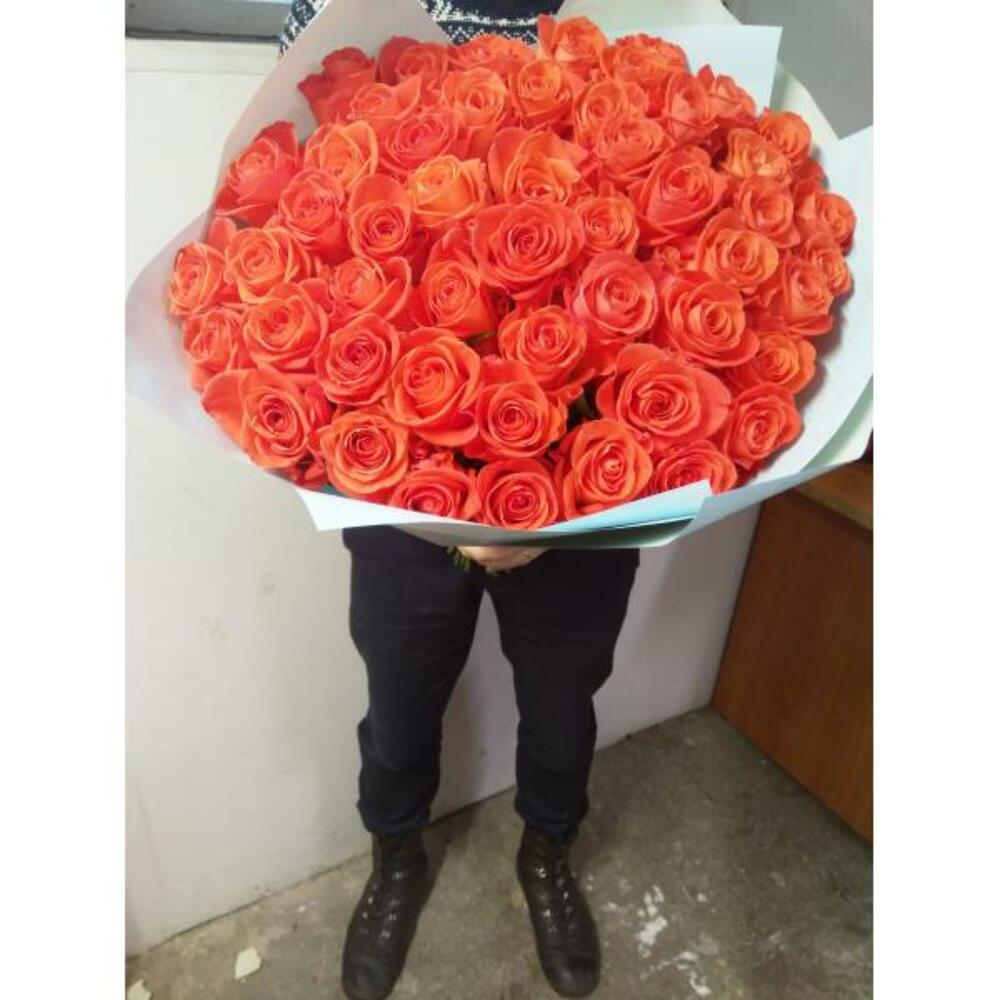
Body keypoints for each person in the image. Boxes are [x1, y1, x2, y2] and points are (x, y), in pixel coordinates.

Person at [282, 4, 640, 998]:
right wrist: (425, 506)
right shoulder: (338, 13)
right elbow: (318, 245)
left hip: (589, 481)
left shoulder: (614, 24)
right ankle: (395, 857)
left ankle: (548, 849)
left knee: (563, 704)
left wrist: (560, 504)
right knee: (398, 703)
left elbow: (646, 265)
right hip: (397, 483)